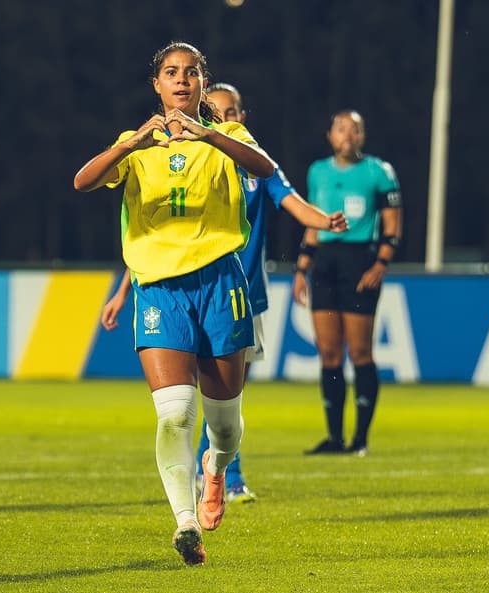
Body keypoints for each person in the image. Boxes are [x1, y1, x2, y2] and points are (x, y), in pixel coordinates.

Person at [73, 41, 275, 566]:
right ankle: (185, 523)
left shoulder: (226, 136)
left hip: (221, 284)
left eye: (190, 73)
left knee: (224, 424)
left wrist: (210, 134)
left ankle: (216, 468)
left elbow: (266, 169)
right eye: (170, 73)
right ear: (157, 86)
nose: (181, 80)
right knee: (174, 414)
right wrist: (129, 146)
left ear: (203, 84)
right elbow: (83, 181)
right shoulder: (136, 143)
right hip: (159, 287)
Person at [101, 83, 348, 505]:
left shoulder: (247, 163)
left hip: (241, 293)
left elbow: (290, 199)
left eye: (231, 110)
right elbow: (161, 234)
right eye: (217, 110)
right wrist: (124, 290)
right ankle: (209, 478)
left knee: (225, 402)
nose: (224, 116)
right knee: (181, 400)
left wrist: (324, 221)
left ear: (241, 115)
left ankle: (224, 472)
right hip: (181, 291)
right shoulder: (190, 160)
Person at [292, 110, 402, 457]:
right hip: (325, 263)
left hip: (359, 262)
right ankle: (334, 437)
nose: (348, 135)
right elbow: (312, 222)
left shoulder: (379, 172)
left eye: (355, 129)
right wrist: (302, 267)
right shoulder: (317, 171)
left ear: (363, 136)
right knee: (328, 353)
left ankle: (361, 439)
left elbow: (392, 224)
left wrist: (380, 264)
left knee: (359, 352)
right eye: (341, 129)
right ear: (330, 135)